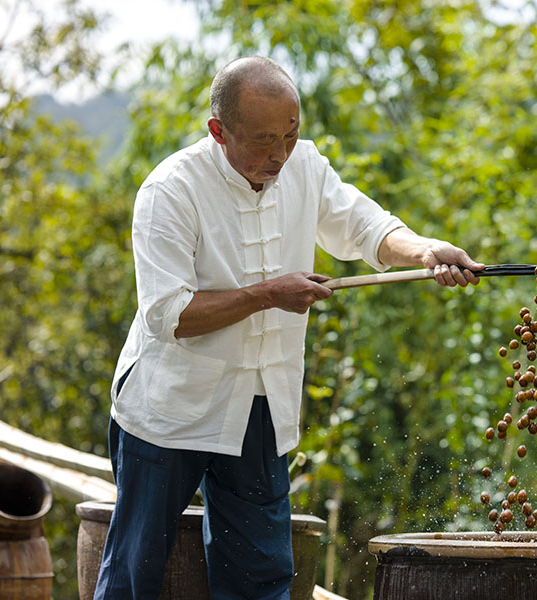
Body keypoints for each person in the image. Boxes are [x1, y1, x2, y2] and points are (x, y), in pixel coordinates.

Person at [94, 56, 483, 600]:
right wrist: (267, 295)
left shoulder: (303, 165)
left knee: (260, 579)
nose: (279, 154)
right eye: (263, 140)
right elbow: (169, 316)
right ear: (218, 131)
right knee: (135, 574)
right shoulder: (170, 191)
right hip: (168, 408)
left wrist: (424, 250)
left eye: (292, 134)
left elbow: (362, 226)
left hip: (261, 404)